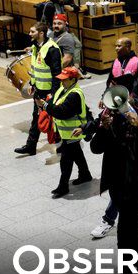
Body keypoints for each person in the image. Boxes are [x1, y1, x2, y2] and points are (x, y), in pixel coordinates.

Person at [90, 100, 138, 274]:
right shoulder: (111, 124)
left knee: (124, 238)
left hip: (137, 188)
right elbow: (95, 148)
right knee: (135, 226)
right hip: (118, 187)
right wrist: (103, 129)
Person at [38, 67, 91, 198]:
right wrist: (47, 103)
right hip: (66, 132)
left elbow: (61, 112)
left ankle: (63, 186)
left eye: (64, 79)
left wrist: (45, 106)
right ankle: (85, 174)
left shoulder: (75, 94)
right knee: (77, 153)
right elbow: (54, 103)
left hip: (74, 132)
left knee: (66, 160)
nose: (61, 82)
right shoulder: (63, 89)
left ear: (73, 79)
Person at [14, 22, 62, 156]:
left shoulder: (52, 49)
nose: (29, 34)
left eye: (32, 32)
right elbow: (36, 70)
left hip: (49, 92)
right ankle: (31, 146)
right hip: (39, 90)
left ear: (41, 33)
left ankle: (62, 146)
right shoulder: (36, 47)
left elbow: (57, 74)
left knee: (54, 119)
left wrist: (53, 94)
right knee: (36, 117)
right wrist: (33, 85)